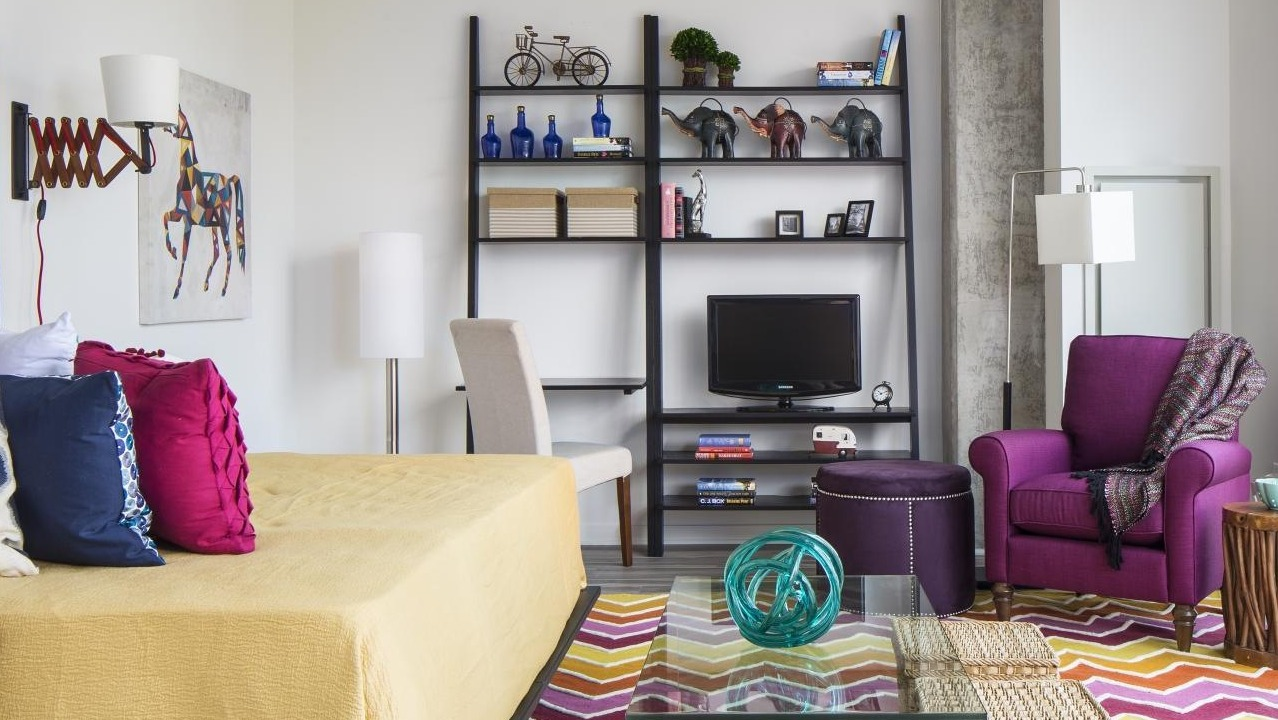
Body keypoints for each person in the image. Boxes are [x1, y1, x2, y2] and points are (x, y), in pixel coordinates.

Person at [689, 168, 707, 236]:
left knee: (701, 214)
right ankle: (695, 229)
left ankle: (699, 228)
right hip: (693, 217)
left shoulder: (703, 193)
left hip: (701, 200)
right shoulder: (703, 194)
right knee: (694, 215)